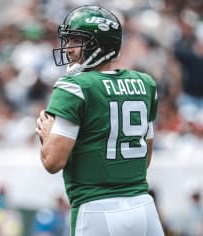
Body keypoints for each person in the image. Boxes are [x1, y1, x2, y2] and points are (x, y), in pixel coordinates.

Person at [35, 5, 164, 236]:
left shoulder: (74, 87)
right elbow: (145, 158)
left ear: (98, 44)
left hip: (96, 210)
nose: (69, 49)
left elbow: (52, 162)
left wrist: (47, 136)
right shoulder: (145, 83)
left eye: (76, 40)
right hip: (143, 208)